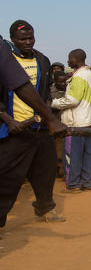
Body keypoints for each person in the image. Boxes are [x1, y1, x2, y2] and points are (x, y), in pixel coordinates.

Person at [0, 23, 67, 227]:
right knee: (7, 177)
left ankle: (45, 208)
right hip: (13, 129)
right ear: (12, 39)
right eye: (22, 39)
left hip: (40, 127)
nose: (28, 42)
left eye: (31, 38)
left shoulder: (42, 60)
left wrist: (48, 119)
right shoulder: (6, 59)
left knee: (45, 170)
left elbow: (43, 94)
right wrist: (8, 120)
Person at [51, 49, 91, 191]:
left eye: (69, 59)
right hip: (89, 121)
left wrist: (53, 103)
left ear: (76, 60)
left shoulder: (78, 77)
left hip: (76, 123)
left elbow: (72, 100)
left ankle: (73, 183)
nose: (68, 62)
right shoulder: (89, 74)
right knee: (88, 154)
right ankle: (86, 182)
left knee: (73, 155)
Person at [50, 71, 68, 177]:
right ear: (55, 81)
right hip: (53, 123)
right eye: (60, 82)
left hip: (65, 123)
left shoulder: (69, 90)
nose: (63, 84)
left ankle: (61, 171)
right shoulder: (50, 92)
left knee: (62, 148)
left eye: (64, 81)